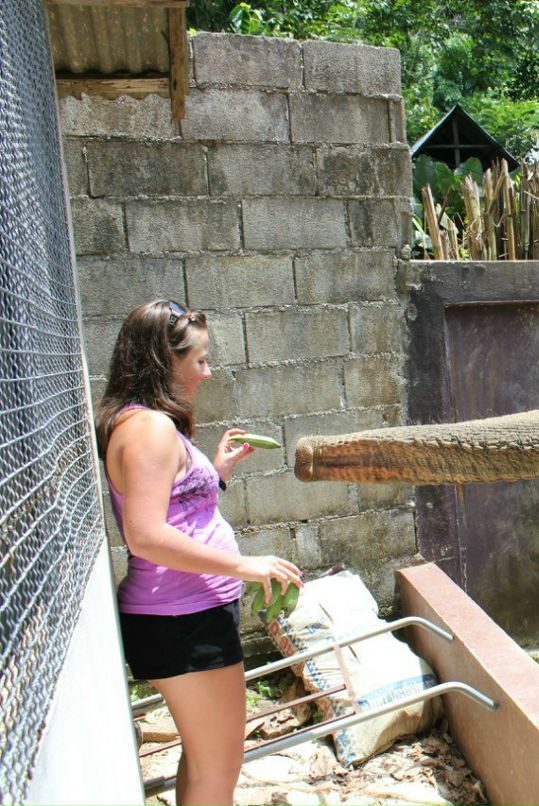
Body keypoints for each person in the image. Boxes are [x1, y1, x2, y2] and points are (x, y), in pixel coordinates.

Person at [95, 299, 303, 806]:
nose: (207, 373)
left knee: (204, 759)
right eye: (200, 360)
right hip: (181, 620)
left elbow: (171, 509)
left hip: (186, 615)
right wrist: (244, 566)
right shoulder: (149, 429)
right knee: (219, 774)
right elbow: (144, 534)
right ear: (165, 361)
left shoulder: (142, 423)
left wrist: (215, 472)